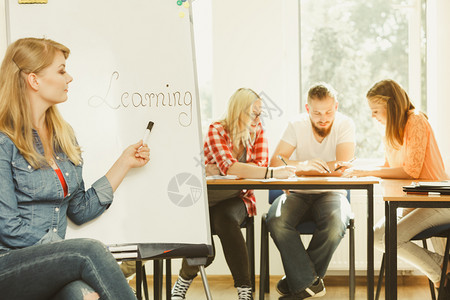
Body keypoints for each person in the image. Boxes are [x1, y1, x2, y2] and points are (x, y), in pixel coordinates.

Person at [0, 37, 150, 300]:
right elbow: (8, 227)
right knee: (89, 251)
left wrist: (124, 162)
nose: (69, 78)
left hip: (53, 264)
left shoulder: (62, 135)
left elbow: (79, 210)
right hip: (9, 264)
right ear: (34, 80)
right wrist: (69, 250)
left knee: (84, 296)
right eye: (61, 70)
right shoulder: (4, 140)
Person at [170, 88, 295, 300]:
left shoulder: (258, 131)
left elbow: (257, 169)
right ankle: (182, 282)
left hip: (238, 198)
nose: (259, 117)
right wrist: (261, 171)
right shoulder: (216, 130)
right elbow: (232, 167)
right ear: (239, 111)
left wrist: (233, 168)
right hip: (207, 201)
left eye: (260, 112)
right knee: (206, 253)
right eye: (254, 113)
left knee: (225, 219)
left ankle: (244, 291)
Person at [343, 79, 449, 289]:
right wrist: (358, 168)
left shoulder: (415, 120)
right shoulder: (392, 131)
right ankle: (441, 269)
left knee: (388, 239)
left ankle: (441, 270)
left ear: (390, 106)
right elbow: (388, 166)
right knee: (377, 237)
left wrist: (365, 171)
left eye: (375, 110)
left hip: (438, 201)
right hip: (415, 203)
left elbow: (411, 170)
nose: (373, 116)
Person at [266, 82, 355, 299]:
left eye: (328, 111)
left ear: (336, 106)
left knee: (336, 223)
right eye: (316, 113)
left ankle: (298, 283)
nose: (323, 117)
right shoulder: (296, 125)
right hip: (296, 193)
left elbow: (344, 164)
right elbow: (276, 162)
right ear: (308, 109)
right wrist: (304, 165)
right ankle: (310, 283)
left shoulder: (345, 124)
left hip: (332, 193)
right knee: (276, 220)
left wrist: (298, 167)